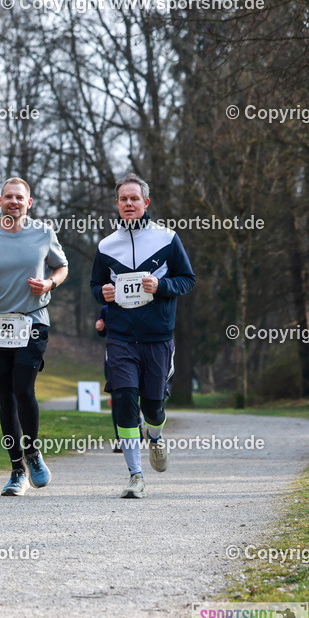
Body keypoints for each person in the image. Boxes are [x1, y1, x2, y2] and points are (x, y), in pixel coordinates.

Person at [0, 178, 68, 496]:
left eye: (19, 197)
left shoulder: (43, 232)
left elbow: (61, 267)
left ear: (29, 203)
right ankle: (17, 470)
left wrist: (49, 284)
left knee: (22, 389)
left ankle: (32, 452)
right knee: (5, 396)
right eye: (8, 197)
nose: (13, 202)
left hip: (33, 321)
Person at [90, 172, 195, 498]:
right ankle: (135, 475)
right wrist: (103, 292)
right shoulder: (106, 245)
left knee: (153, 408)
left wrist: (161, 285)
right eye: (123, 199)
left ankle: (156, 437)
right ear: (117, 204)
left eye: (134, 198)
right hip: (121, 337)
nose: (129, 203)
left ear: (146, 202)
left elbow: (187, 279)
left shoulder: (167, 238)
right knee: (124, 399)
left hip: (158, 336)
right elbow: (95, 285)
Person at [95, 305, 124, 453]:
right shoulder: (107, 308)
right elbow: (103, 333)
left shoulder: (139, 301)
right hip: (112, 360)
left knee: (133, 396)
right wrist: (100, 327)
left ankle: (138, 426)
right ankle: (120, 439)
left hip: (136, 357)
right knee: (116, 398)